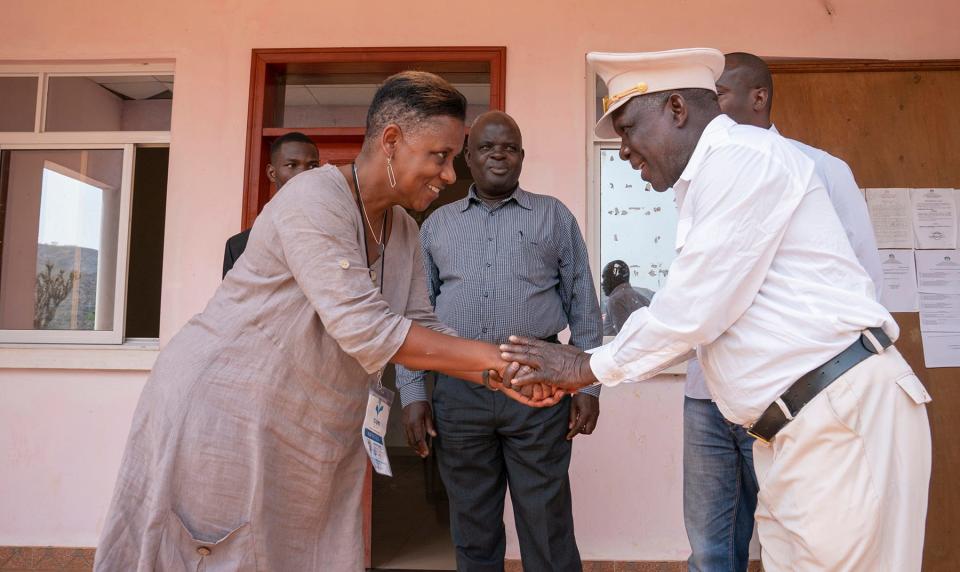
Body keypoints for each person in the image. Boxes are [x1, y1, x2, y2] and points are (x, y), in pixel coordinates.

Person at [94, 71, 562, 572]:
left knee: (303, 552)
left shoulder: (402, 228)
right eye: (440, 156)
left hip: (313, 425)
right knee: (219, 551)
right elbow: (368, 328)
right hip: (226, 410)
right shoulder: (313, 199)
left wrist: (505, 376)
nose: (450, 175)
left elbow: (425, 324)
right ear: (391, 141)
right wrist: (509, 361)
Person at [501, 49, 931, 571]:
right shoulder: (709, 178)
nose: (625, 152)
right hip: (794, 430)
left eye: (630, 130)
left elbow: (694, 309)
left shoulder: (742, 159)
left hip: (834, 419)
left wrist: (585, 366)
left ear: (676, 108)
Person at [672, 51, 890, 572]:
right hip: (706, 396)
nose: (712, 111)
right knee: (709, 548)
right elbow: (699, 287)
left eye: (719, 95)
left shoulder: (822, 170)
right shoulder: (696, 177)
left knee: (794, 540)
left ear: (759, 96)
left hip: (792, 396)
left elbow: (864, 285)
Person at [395, 110, 602, 572]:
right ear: (468, 157)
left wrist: (588, 386)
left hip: (538, 388)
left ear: (522, 156)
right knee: (472, 523)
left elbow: (585, 308)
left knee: (546, 520)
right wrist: (413, 394)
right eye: (487, 147)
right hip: (458, 391)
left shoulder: (554, 217)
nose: (498, 155)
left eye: (508, 147)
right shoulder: (437, 225)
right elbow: (415, 317)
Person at [222, 131, 320, 277]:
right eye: (292, 165)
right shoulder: (238, 246)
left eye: (312, 166)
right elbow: (233, 299)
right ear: (272, 173)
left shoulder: (338, 235)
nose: (304, 173)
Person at [600, 259, 653, 335]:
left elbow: (624, 336)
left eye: (605, 278)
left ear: (613, 279)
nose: (603, 283)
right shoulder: (643, 299)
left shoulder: (616, 301)